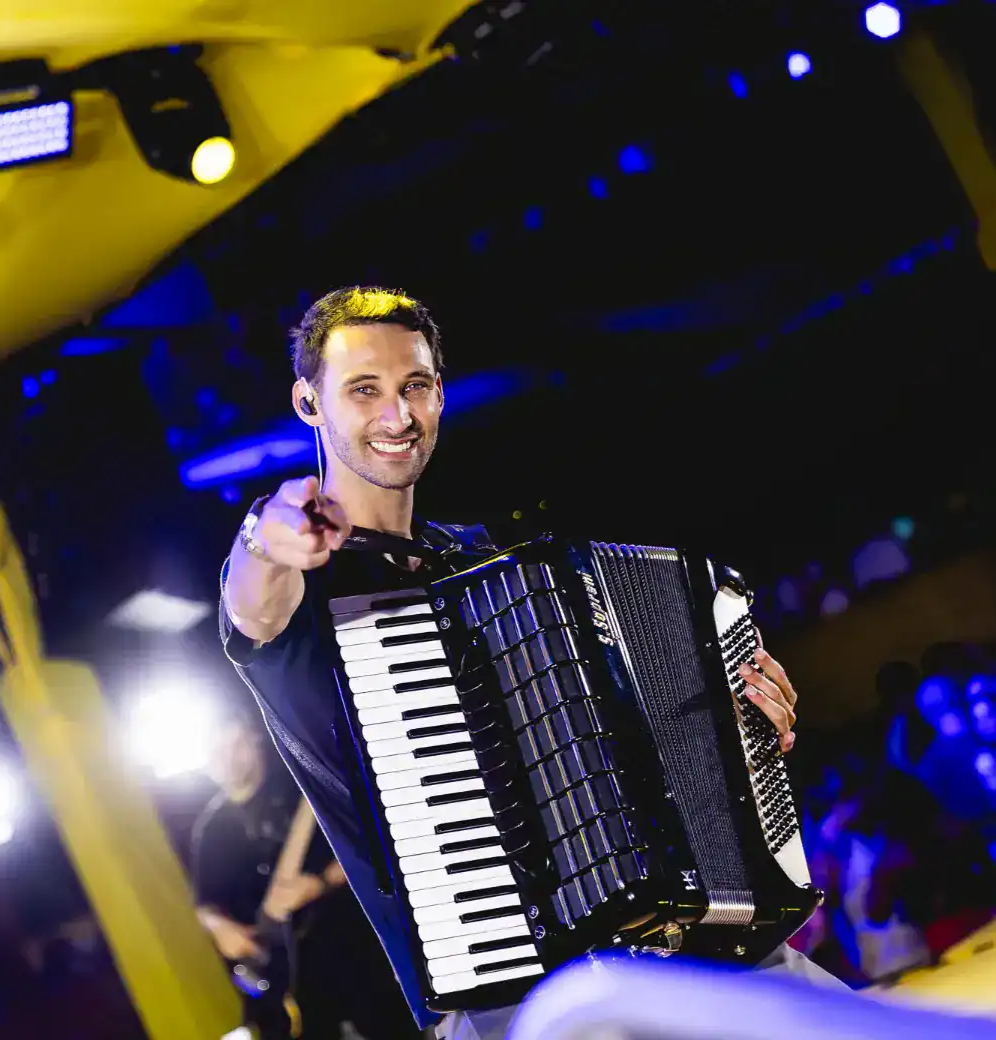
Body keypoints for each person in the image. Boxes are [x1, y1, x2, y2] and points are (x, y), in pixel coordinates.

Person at [219, 286, 834, 1040]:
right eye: (364, 390)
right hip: (508, 1001)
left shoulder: (484, 559)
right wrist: (266, 535)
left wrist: (736, 722)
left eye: (415, 385)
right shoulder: (302, 586)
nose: (397, 415)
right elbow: (253, 604)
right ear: (309, 403)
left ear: (440, 393)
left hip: (663, 951)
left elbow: (620, 745)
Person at [190, 714, 420, 1040]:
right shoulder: (212, 830)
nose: (227, 759)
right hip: (288, 977)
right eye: (216, 753)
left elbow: (370, 844)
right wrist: (221, 928)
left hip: (352, 944)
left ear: (255, 738)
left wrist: (321, 883)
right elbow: (205, 903)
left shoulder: (302, 778)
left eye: (234, 745)